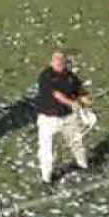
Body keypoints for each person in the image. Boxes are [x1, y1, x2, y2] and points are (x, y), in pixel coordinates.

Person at [35, 52, 93, 185]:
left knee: (76, 142)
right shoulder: (45, 76)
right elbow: (57, 95)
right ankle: (46, 178)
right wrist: (72, 103)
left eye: (61, 61)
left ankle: (83, 164)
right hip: (48, 120)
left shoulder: (71, 77)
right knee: (46, 150)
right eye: (56, 61)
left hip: (68, 118)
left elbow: (80, 91)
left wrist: (85, 99)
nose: (59, 64)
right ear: (51, 62)